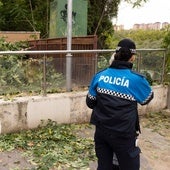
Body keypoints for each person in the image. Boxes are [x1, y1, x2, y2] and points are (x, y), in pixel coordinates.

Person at [86, 38, 154, 170]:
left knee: (104, 166)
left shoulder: (100, 76)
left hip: (101, 132)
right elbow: (147, 99)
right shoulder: (136, 79)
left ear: (115, 54)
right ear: (132, 57)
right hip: (123, 134)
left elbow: (90, 102)